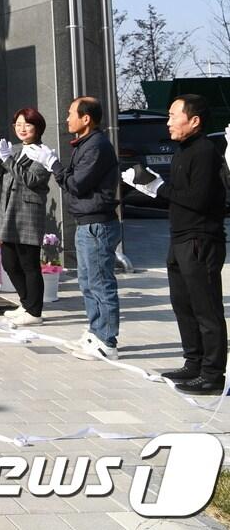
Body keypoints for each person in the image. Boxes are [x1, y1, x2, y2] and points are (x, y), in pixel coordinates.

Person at [123, 94, 228, 394]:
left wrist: (158, 187)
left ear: (194, 120)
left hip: (200, 240)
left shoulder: (205, 151)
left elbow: (198, 199)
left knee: (206, 308)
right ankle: (193, 362)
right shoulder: (182, 151)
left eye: (173, 115)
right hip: (179, 238)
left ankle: (212, 373)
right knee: (182, 304)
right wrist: (150, 186)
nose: (168, 122)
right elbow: (178, 194)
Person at [27, 96, 121, 361]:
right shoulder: (85, 144)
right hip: (86, 223)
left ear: (86, 118)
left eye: (70, 114)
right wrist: (57, 167)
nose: (67, 118)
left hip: (98, 224)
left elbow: (77, 184)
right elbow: (72, 181)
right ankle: (95, 332)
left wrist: (53, 165)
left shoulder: (97, 145)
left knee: (101, 283)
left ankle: (107, 341)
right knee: (88, 283)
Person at [0, 107, 52, 327]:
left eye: (27, 124)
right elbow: (1, 179)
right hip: (9, 211)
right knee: (9, 262)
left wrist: (7, 161)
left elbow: (32, 179)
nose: (22, 128)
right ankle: (26, 303)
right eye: (18, 124)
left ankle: (34, 311)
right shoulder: (14, 149)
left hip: (28, 212)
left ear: (38, 127)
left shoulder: (44, 152)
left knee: (29, 263)